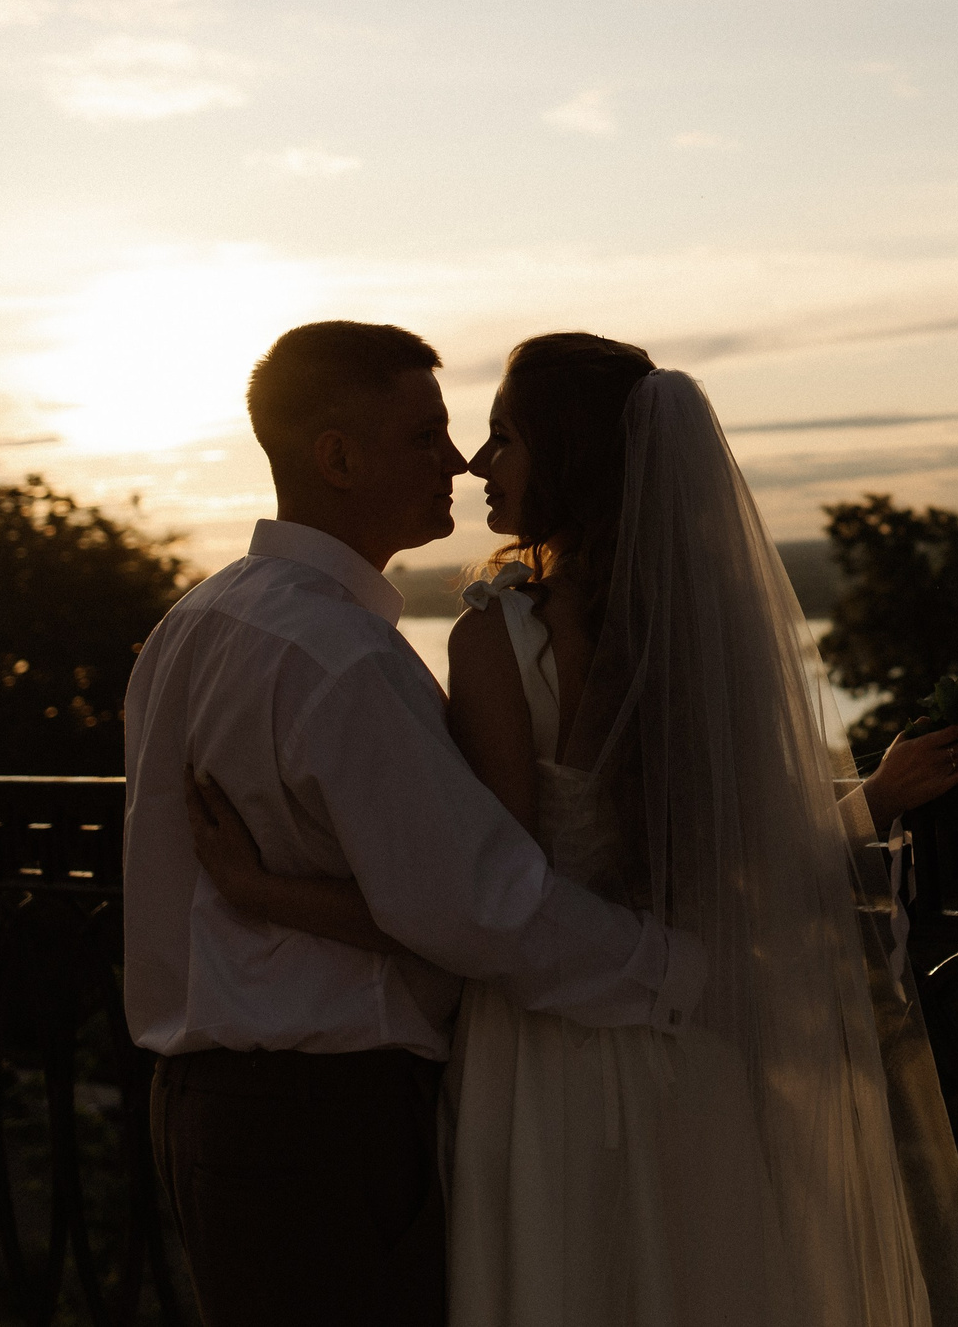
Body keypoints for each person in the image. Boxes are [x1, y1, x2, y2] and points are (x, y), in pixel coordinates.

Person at [188, 331, 958, 1327]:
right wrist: (869, 799)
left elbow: (476, 900)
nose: (477, 463)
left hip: (542, 1052)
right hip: (687, 1046)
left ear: (564, 455)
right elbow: (748, 858)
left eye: (502, 438)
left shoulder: (494, 633)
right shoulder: (689, 636)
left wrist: (266, 893)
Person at [123, 322, 709, 1327]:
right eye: (425, 434)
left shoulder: (197, 621)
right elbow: (478, 906)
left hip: (208, 1111)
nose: (456, 460)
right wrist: (678, 973)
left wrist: (268, 895)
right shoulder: (341, 659)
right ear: (337, 457)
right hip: (324, 1125)